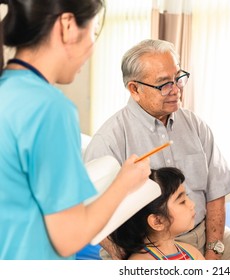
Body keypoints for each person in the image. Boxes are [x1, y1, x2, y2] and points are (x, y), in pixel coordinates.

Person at [84, 38, 230, 260]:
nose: (176, 90)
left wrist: (213, 251)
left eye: (178, 78)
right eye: (164, 84)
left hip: (203, 234)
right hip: (145, 247)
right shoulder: (110, 139)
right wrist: (128, 259)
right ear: (134, 89)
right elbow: (89, 212)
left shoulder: (195, 125)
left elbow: (216, 194)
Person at [0, 0, 150, 260]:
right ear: (68, 25)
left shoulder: (8, 91)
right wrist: (124, 183)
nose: (92, 48)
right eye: (93, 33)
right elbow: (69, 238)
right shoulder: (49, 108)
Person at [109, 167, 204, 260]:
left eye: (186, 196)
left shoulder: (193, 253)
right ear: (157, 221)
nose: (192, 204)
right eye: (182, 201)